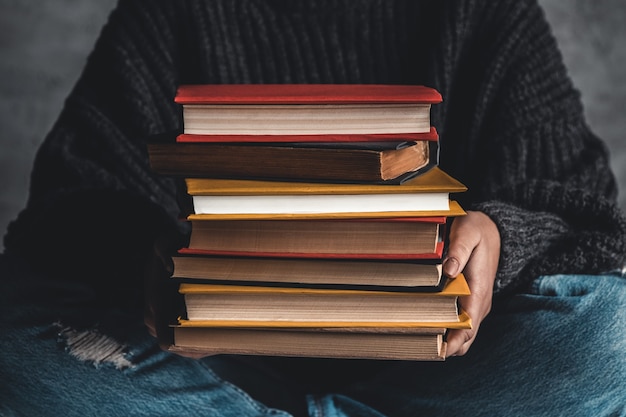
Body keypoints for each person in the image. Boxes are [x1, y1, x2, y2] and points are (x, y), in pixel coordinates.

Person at [1, 0, 625, 415]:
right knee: (19, 340)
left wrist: (500, 235)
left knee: (612, 333)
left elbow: (586, 214)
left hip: (445, 375)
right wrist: (149, 256)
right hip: (215, 370)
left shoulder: (483, 10)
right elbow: (69, 205)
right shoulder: (174, 10)